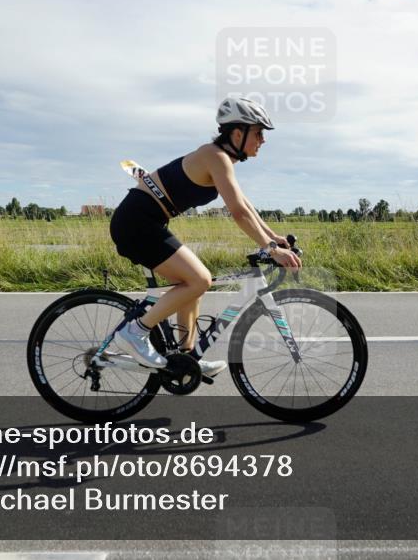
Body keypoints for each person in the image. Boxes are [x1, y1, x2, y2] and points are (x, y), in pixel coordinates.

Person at [107, 97, 302, 375]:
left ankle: (185, 359)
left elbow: (246, 206)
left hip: (148, 222)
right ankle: (135, 332)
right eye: (258, 132)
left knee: (192, 283)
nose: (263, 140)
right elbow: (237, 213)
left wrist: (275, 238)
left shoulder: (221, 160)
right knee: (200, 279)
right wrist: (271, 250)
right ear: (238, 133)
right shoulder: (215, 156)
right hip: (136, 223)